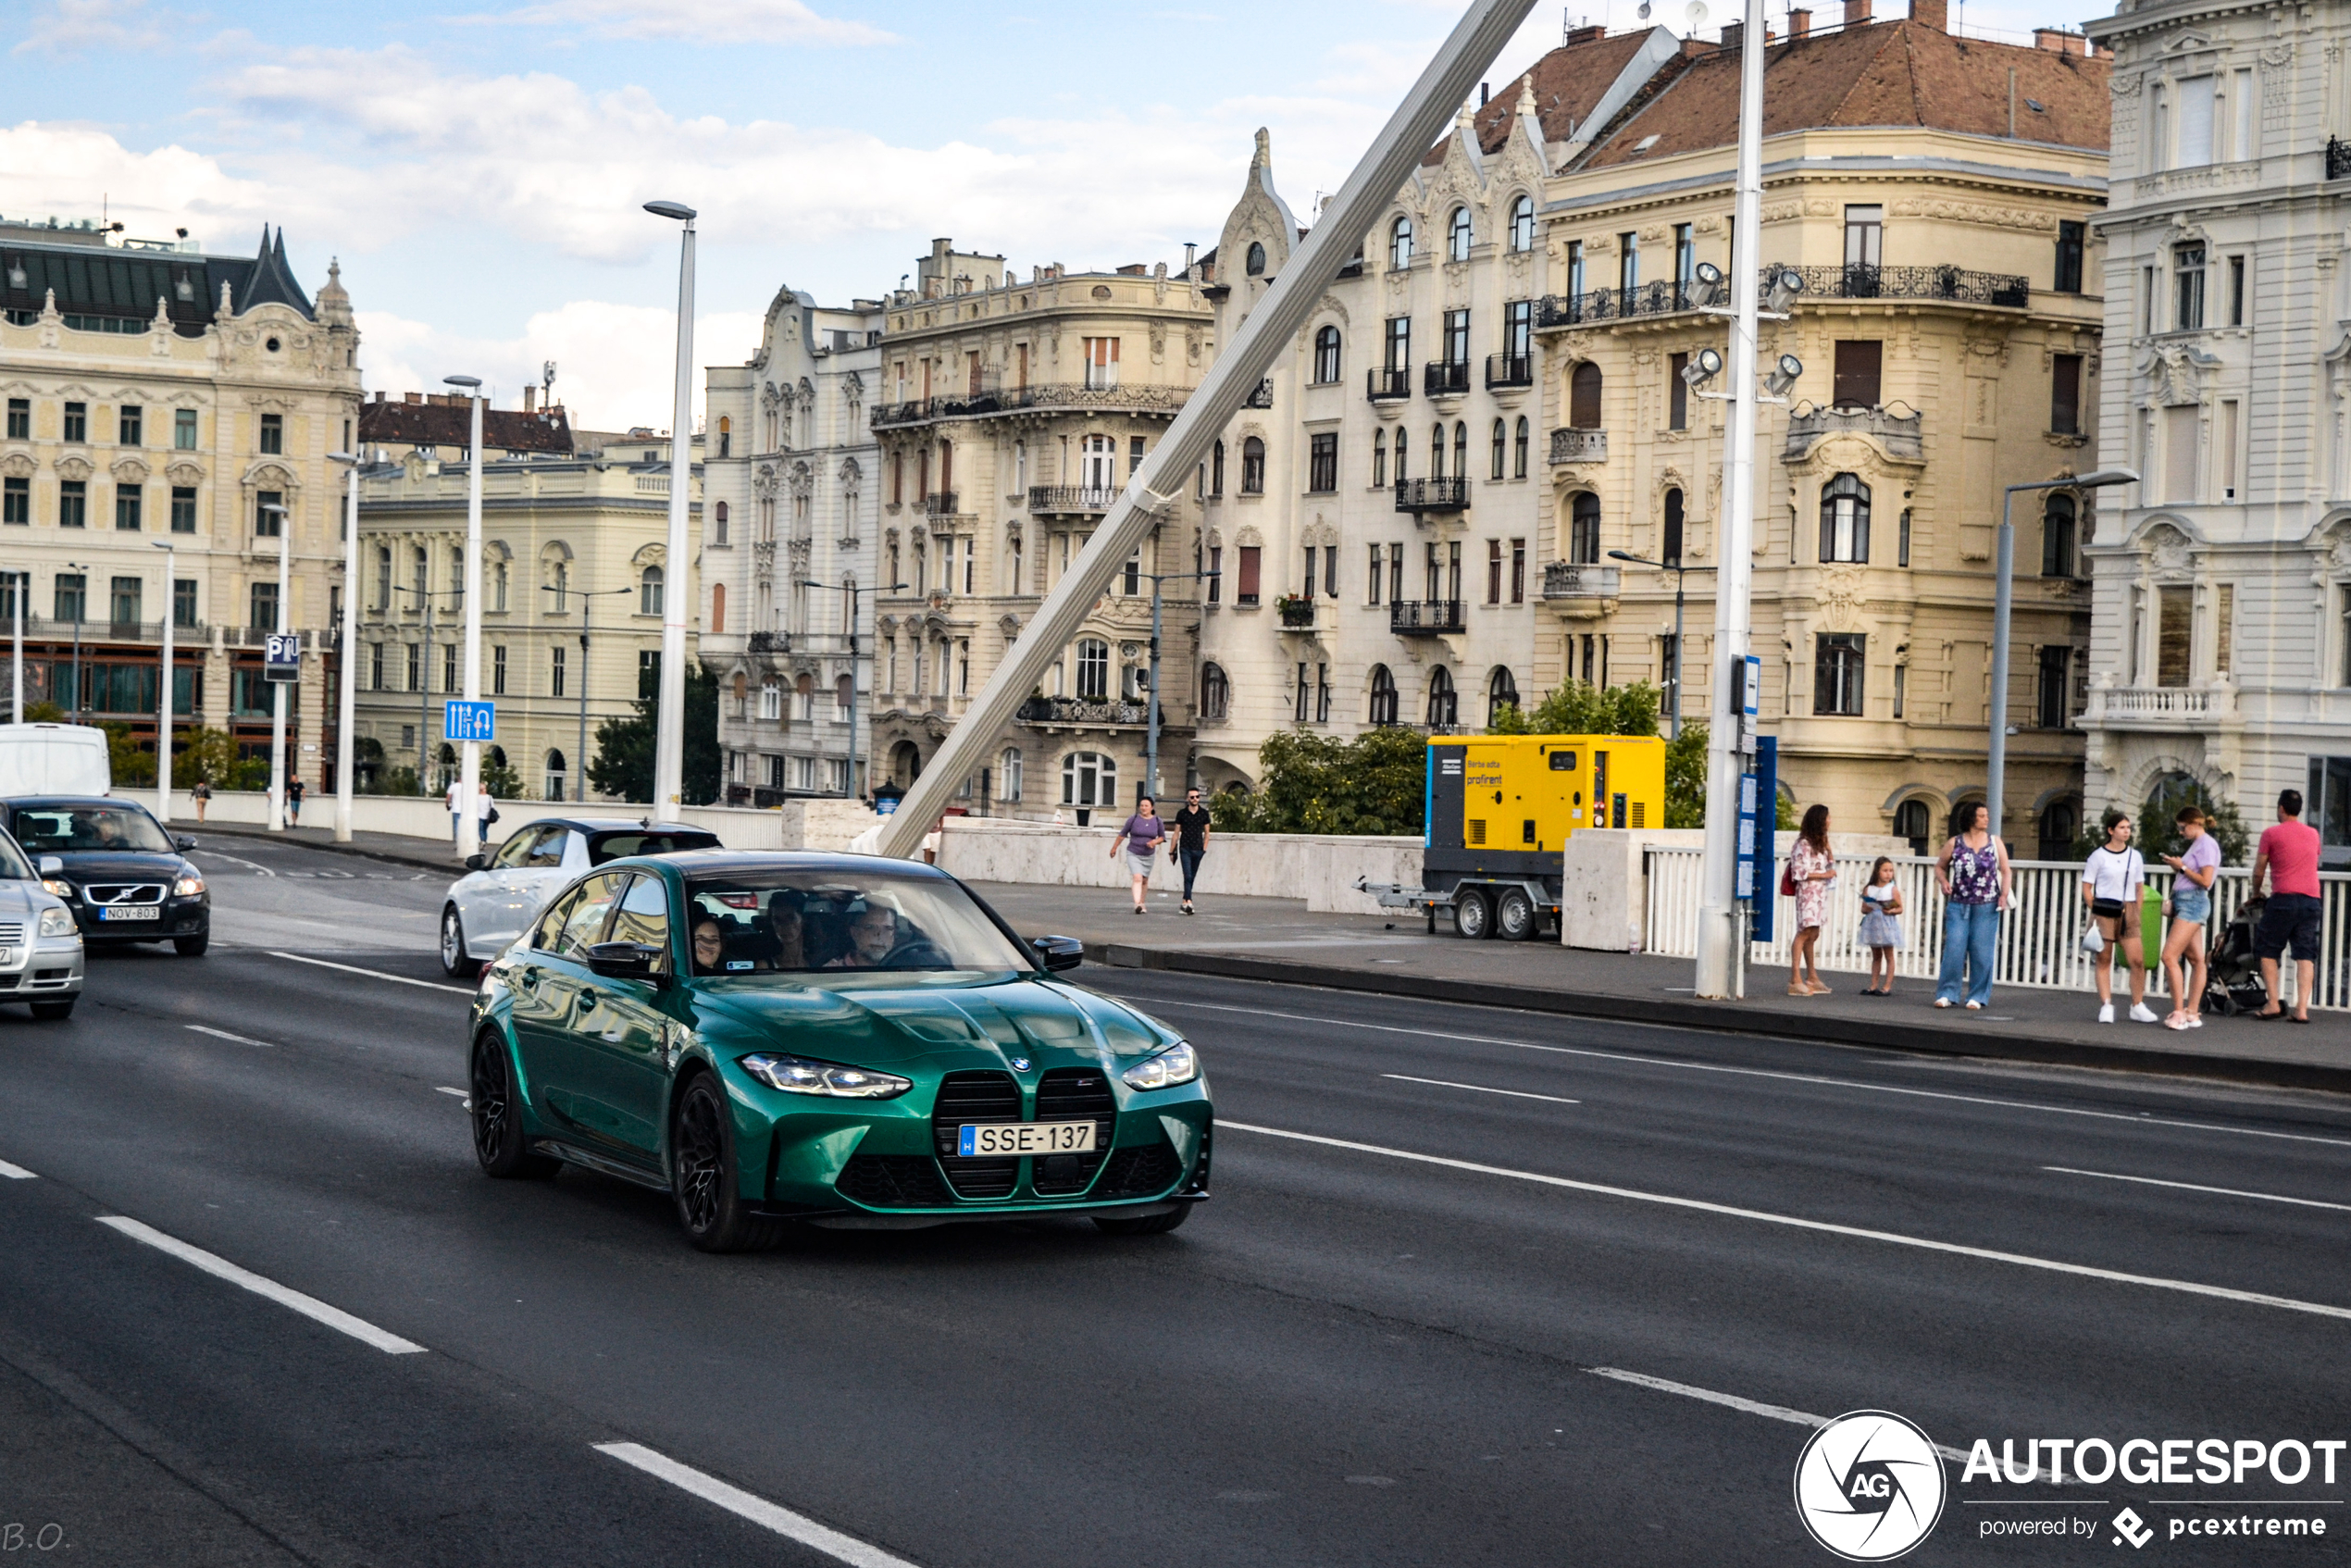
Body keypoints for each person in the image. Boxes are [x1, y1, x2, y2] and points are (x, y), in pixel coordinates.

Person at [2249, 788, 2322, 1023]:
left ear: (2281, 808)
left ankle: (2273, 1003)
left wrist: (2256, 892)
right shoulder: (2313, 834)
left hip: (2284, 899)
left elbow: (2259, 870)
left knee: (2268, 949)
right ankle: (2301, 1009)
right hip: (2311, 899)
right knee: (2305, 954)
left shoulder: (2271, 834)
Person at [2083, 809, 2158, 1025]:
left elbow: (2139, 886)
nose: (2127, 832)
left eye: (2128, 828)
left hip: (2128, 909)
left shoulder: (2135, 856)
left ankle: (2138, 1004)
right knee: (2104, 958)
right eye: (2122, 828)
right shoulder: (2098, 856)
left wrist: (2137, 909)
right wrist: (2094, 907)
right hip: (2104, 909)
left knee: (2137, 959)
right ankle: (2106, 1003)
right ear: (2111, 830)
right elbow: (2087, 886)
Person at [1934, 801, 2010, 1011]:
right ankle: (1947, 993)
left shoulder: (1994, 842)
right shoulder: (1955, 843)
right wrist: (1944, 881)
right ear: (1971, 819)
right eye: (1982, 816)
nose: (1987, 819)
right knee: (1954, 948)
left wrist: (2004, 894)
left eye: (1987, 815)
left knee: (1981, 950)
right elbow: (1940, 867)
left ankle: (1978, 995)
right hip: (1959, 903)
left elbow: (2006, 869)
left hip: (1987, 904)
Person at [2159, 803, 2220, 1031]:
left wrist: (2182, 867)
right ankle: (2192, 1011)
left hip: (2193, 903)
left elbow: (2206, 880)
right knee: (2196, 960)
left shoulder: (2206, 845)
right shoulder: (2199, 844)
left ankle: (2179, 1012)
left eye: (2183, 827)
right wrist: (2179, 867)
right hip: (2188, 901)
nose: (2181, 832)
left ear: (2195, 824)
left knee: (2169, 956)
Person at [1786, 804, 1835, 996]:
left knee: (1814, 932)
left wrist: (1829, 849)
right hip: (1808, 893)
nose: (1830, 821)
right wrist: (1824, 875)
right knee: (1804, 932)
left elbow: (1830, 865)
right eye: (1827, 817)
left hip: (1819, 895)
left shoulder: (1819, 844)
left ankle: (1812, 976)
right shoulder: (1803, 844)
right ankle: (1795, 977)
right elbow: (1799, 872)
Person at [1111, 796, 1166, 915]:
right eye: (1142, 806)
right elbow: (1122, 834)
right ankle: (1137, 903)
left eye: (1146, 806)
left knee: (1145, 880)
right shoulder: (1133, 819)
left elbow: (1162, 837)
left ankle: (1142, 902)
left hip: (1148, 855)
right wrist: (1115, 847)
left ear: (1152, 807)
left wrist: (1154, 842)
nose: (1144, 808)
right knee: (1137, 878)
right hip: (1133, 853)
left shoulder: (1157, 821)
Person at [1858, 856, 1905, 997]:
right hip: (1874, 925)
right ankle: (1873, 985)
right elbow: (1863, 909)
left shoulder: (1892, 889)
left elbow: (1900, 908)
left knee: (1889, 955)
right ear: (1878, 871)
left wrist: (1891, 910)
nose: (1888, 874)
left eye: (1891, 871)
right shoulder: (1869, 888)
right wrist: (1871, 907)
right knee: (1876, 955)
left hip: (1887, 924)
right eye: (1885, 870)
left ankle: (1887, 986)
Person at [1172, 787, 1213, 915]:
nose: (1195, 799)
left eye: (1197, 797)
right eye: (1192, 797)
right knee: (1187, 875)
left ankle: (1185, 902)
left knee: (1192, 877)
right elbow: (1176, 833)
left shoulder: (1204, 814)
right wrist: (1172, 850)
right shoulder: (1182, 813)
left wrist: (1204, 848)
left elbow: (1207, 833)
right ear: (1187, 799)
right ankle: (1189, 901)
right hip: (1185, 848)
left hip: (1198, 849)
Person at [827, 902, 902, 968]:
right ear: (854, 933)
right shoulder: (833, 971)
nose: (879, 935)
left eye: (888, 928)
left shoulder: (904, 969)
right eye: (869, 927)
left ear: (894, 934)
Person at [445, 778, 464, 843]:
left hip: (456, 809)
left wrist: (447, 805)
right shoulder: (466, 787)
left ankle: (458, 841)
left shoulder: (453, 786)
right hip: (465, 810)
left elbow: (448, 798)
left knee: (456, 826)